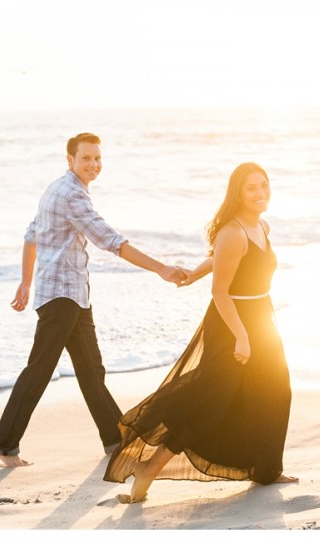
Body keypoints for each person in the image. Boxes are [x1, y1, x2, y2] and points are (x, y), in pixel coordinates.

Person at [103, 162, 297, 502]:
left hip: (261, 316)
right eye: (251, 187)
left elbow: (221, 260)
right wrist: (241, 336)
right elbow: (220, 292)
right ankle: (148, 467)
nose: (260, 193)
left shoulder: (261, 226)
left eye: (264, 185)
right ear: (237, 193)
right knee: (213, 400)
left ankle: (267, 469)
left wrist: (194, 272)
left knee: (275, 391)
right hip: (231, 321)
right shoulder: (232, 231)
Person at [0, 132, 185, 467]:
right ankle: (5, 445)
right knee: (39, 370)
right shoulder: (72, 197)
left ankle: (115, 439)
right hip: (62, 295)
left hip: (70, 294)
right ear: (70, 160)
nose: (93, 164)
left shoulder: (56, 188)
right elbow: (110, 241)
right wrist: (160, 268)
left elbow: (30, 236)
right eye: (86, 158)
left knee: (92, 372)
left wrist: (25, 283)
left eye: (97, 158)